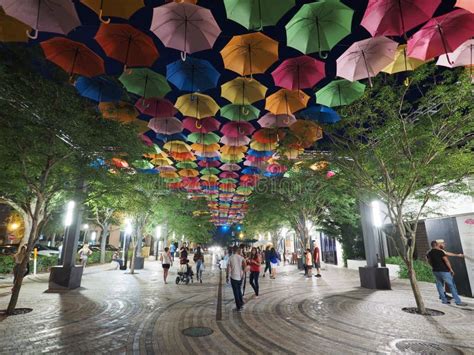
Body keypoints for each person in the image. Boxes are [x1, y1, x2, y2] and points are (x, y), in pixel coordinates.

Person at [426, 240, 467, 306]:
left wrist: (433, 266)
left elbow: (429, 261)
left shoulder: (429, 253)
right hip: (444, 271)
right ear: (437, 244)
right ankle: (458, 302)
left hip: (435, 271)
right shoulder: (440, 251)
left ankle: (444, 301)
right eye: (442, 243)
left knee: (439, 286)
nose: (444, 244)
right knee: (452, 286)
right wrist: (451, 269)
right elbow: (446, 261)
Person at [227, 246, 246, 311]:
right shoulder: (241, 257)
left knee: (236, 292)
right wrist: (242, 273)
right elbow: (244, 266)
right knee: (239, 290)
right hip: (240, 277)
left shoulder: (230, 257)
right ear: (238, 250)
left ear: (232, 250)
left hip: (234, 277)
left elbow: (228, 268)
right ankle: (241, 303)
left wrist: (227, 276)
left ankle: (238, 307)